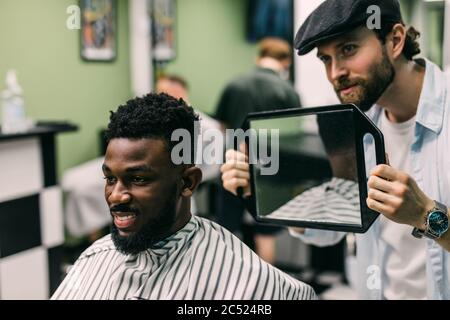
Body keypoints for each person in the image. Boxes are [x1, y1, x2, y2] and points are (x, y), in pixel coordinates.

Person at [220, 0, 450, 299]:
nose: (335, 73)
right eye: (326, 59)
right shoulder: (352, 126)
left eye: (348, 50)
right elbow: (331, 228)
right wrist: (263, 190)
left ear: (395, 40)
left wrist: (426, 216)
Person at [51, 93, 316, 300]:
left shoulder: (243, 278)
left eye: (139, 179)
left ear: (187, 182)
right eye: (110, 178)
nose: (116, 196)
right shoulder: (92, 259)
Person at [62, 74, 221, 239]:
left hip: (150, 176)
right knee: (75, 181)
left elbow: (207, 167)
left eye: (163, 92)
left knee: (84, 190)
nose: (157, 96)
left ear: (179, 92)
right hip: (130, 166)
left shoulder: (206, 128)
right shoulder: (153, 119)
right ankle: (97, 242)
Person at [214, 37, 302, 264]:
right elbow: (295, 136)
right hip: (270, 169)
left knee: (227, 230)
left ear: (259, 57)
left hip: (233, 165)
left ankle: (227, 287)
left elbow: (221, 126)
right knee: (266, 232)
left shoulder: (234, 85)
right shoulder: (287, 90)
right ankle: (268, 289)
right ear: (285, 62)